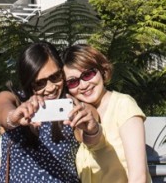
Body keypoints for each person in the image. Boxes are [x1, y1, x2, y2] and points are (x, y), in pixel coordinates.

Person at [0, 42, 102, 182]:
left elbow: (91, 137)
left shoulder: (72, 108)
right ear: (28, 82)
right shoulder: (15, 101)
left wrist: (91, 128)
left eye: (55, 77)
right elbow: (2, 110)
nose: (51, 88)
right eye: (40, 83)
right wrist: (13, 118)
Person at [62, 44, 151, 183]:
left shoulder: (123, 105)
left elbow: (138, 176)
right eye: (73, 82)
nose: (83, 85)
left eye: (88, 74)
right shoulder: (80, 117)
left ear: (102, 70)